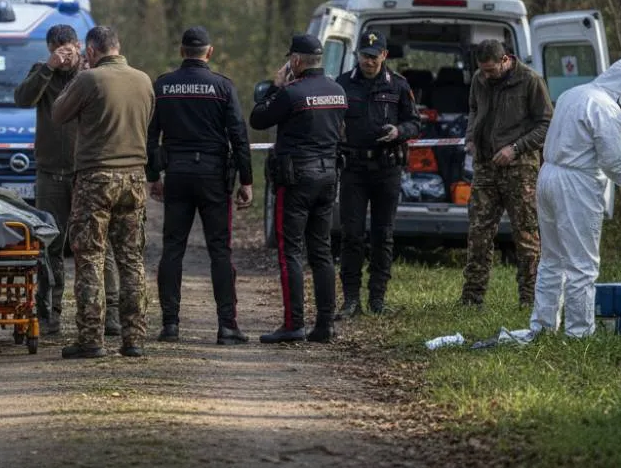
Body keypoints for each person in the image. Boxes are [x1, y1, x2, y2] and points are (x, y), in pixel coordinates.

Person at [52, 26, 155, 359]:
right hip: (135, 178)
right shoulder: (143, 80)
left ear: (92, 52)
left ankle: (91, 338)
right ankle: (134, 339)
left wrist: (78, 77)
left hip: (96, 178)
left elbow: (58, 114)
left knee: (90, 258)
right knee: (131, 260)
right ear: (119, 46)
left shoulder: (88, 80)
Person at [147, 26, 254, 345]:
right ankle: (227, 326)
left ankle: (170, 325)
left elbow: (151, 135)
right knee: (220, 250)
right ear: (210, 52)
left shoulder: (163, 86)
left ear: (182, 52)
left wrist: (153, 175)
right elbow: (239, 136)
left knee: (173, 249)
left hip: (177, 173)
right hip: (213, 176)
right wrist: (246, 180)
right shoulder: (223, 87)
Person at [14, 24, 121, 338]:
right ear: (48, 50)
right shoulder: (42, 73)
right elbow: (22, 99)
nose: (63, 55)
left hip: (86, 173)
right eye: (56, 50)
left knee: (101, 244)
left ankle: (110, 312)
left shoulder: (92, 75)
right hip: (50, 173)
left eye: (68, 48)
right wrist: (48, 69)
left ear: (79, 46)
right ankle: (50, 313)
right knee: (50, 246)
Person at [530, 57, 621, 338]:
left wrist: (616, 143)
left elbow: (576, 138)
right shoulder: (606, 107)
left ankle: (543, 327)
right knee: (582, 264)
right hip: (576, 184)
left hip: (548, 175)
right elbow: (611, 162)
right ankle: (579, 333)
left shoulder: (573, 94)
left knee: (552, 259)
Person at [249, 33, 346, 344]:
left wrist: (276, 87)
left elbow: (258, 118)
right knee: (322, 252)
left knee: (290, 251)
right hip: (328, 176)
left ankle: (294, 324)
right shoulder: (338, 90)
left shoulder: (291, 93)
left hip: (295, 181)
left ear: (295, 61)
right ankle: (326, 324)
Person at [461, 39, 553, 308]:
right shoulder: (480, 79)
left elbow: (546, 123)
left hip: (520, 168)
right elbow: (474, 109)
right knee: (478, 232)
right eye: (483, 70)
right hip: (485, 165)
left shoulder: (530, 81)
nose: (486, 75)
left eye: (491, 70)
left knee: (526, 233)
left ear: (505, 60)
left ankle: (529, 298)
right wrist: (471, 136)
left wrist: (516, 148)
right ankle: (472, 298)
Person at [335, 31, 420, 318]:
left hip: (387, 169)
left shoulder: (398, 85)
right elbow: (330, 119)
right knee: (351, 236)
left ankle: (378, 299)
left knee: (383, 235)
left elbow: (415, 123)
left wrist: (400, 131)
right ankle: (350, 300)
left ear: (384, 55)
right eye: (364, 55)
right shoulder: (343, 84)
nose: (368, 61)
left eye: (374, 56)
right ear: (357, 55)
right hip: (354, 169)